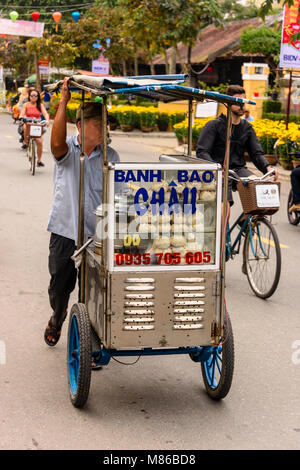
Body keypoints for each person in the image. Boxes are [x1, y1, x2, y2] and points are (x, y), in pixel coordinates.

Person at [44, 77, 120, 349]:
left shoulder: (111, 155)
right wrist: (63, 102)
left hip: (96, 233)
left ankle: (90, 342)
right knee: (60, 287)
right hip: (65, 230)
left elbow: (118, 194)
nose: (104, 129)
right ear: (80, 126)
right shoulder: (67, 149)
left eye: (105, 124)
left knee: (94, 290)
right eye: (98, 124)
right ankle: (58, 315)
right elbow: (54, 146)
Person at [196, 84, 278, 208]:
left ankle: (247, 223)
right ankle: (224, 224)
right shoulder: (213, 125)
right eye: (237, 101)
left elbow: (256, 153)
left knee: (256, 186)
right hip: (219, 172)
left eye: (243, 101)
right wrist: (214, 167)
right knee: (225, 208)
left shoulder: (247, 128)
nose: (241, 105)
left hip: (238, 170)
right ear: (227, 103)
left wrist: (267, 167)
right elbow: (202, 151)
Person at [19, 88, 50, 167]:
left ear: (38, 97)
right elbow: (22, 113)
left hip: (37, 124)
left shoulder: (40, 105)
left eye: (36, 95)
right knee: (25, 127)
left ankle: (39, 161)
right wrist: (21, 118)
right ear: (29, 96)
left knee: (39, 141)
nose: (34, 97)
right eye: (32, 95)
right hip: (28, 122)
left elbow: (45, 113)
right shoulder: (26, 104)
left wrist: (47, 120)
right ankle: (26, 142)